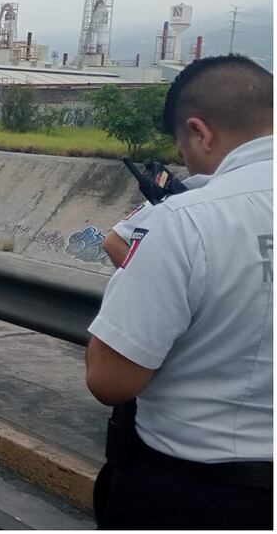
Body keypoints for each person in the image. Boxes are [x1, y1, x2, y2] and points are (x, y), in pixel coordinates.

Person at [86, 54, 273, 529]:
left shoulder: (185, 219)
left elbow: (111, 381)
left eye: (182, 145)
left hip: (197, 493)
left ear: (200, 132)